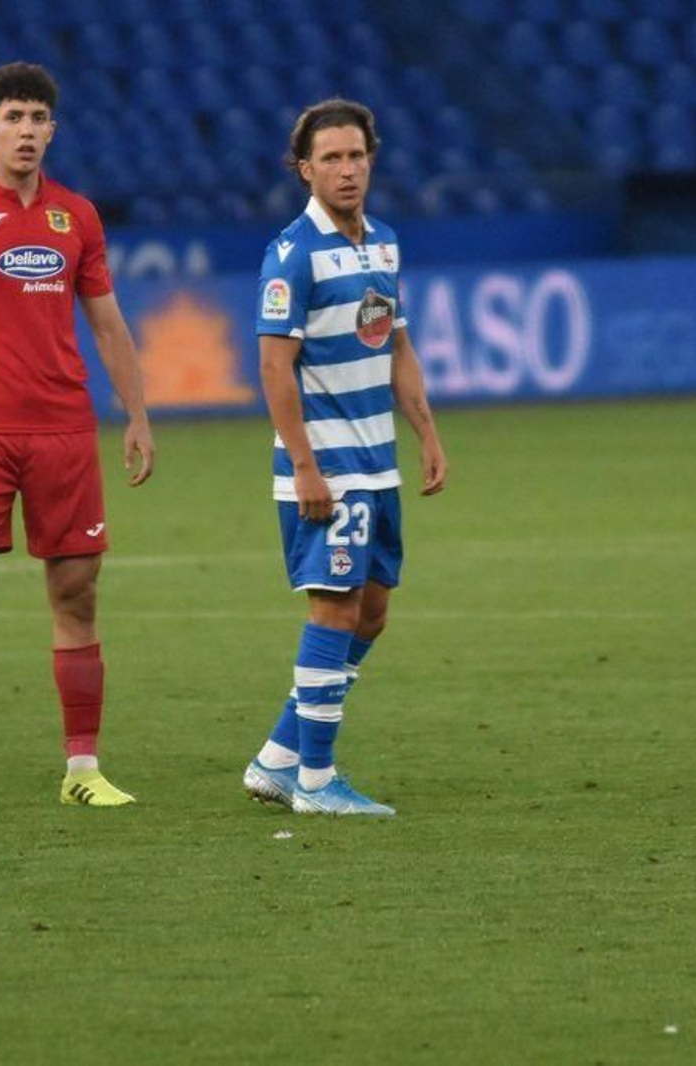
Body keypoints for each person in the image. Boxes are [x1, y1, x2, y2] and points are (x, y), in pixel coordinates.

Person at [0, 62, 156, 813]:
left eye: (39, 118)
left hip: (66, 432)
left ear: (53, 130)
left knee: (77, 594)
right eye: (14, 117)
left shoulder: (77, 217)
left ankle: (83, 768)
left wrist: (135, 412)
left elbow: (108, 323)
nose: (28, 131)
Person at [242, 100, 448, 817]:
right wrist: (303, 466)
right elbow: (273, 368)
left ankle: (278, 757)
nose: (347, 169)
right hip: (326, 466)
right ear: (305, 169)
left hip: (378, 463)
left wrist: (425, 433)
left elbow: (397, 345)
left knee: (373, 612)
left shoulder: (384, 245)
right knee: (334, 611)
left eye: (356, 155)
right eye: (330, 158)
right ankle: (319, 783)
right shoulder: (293, 254)